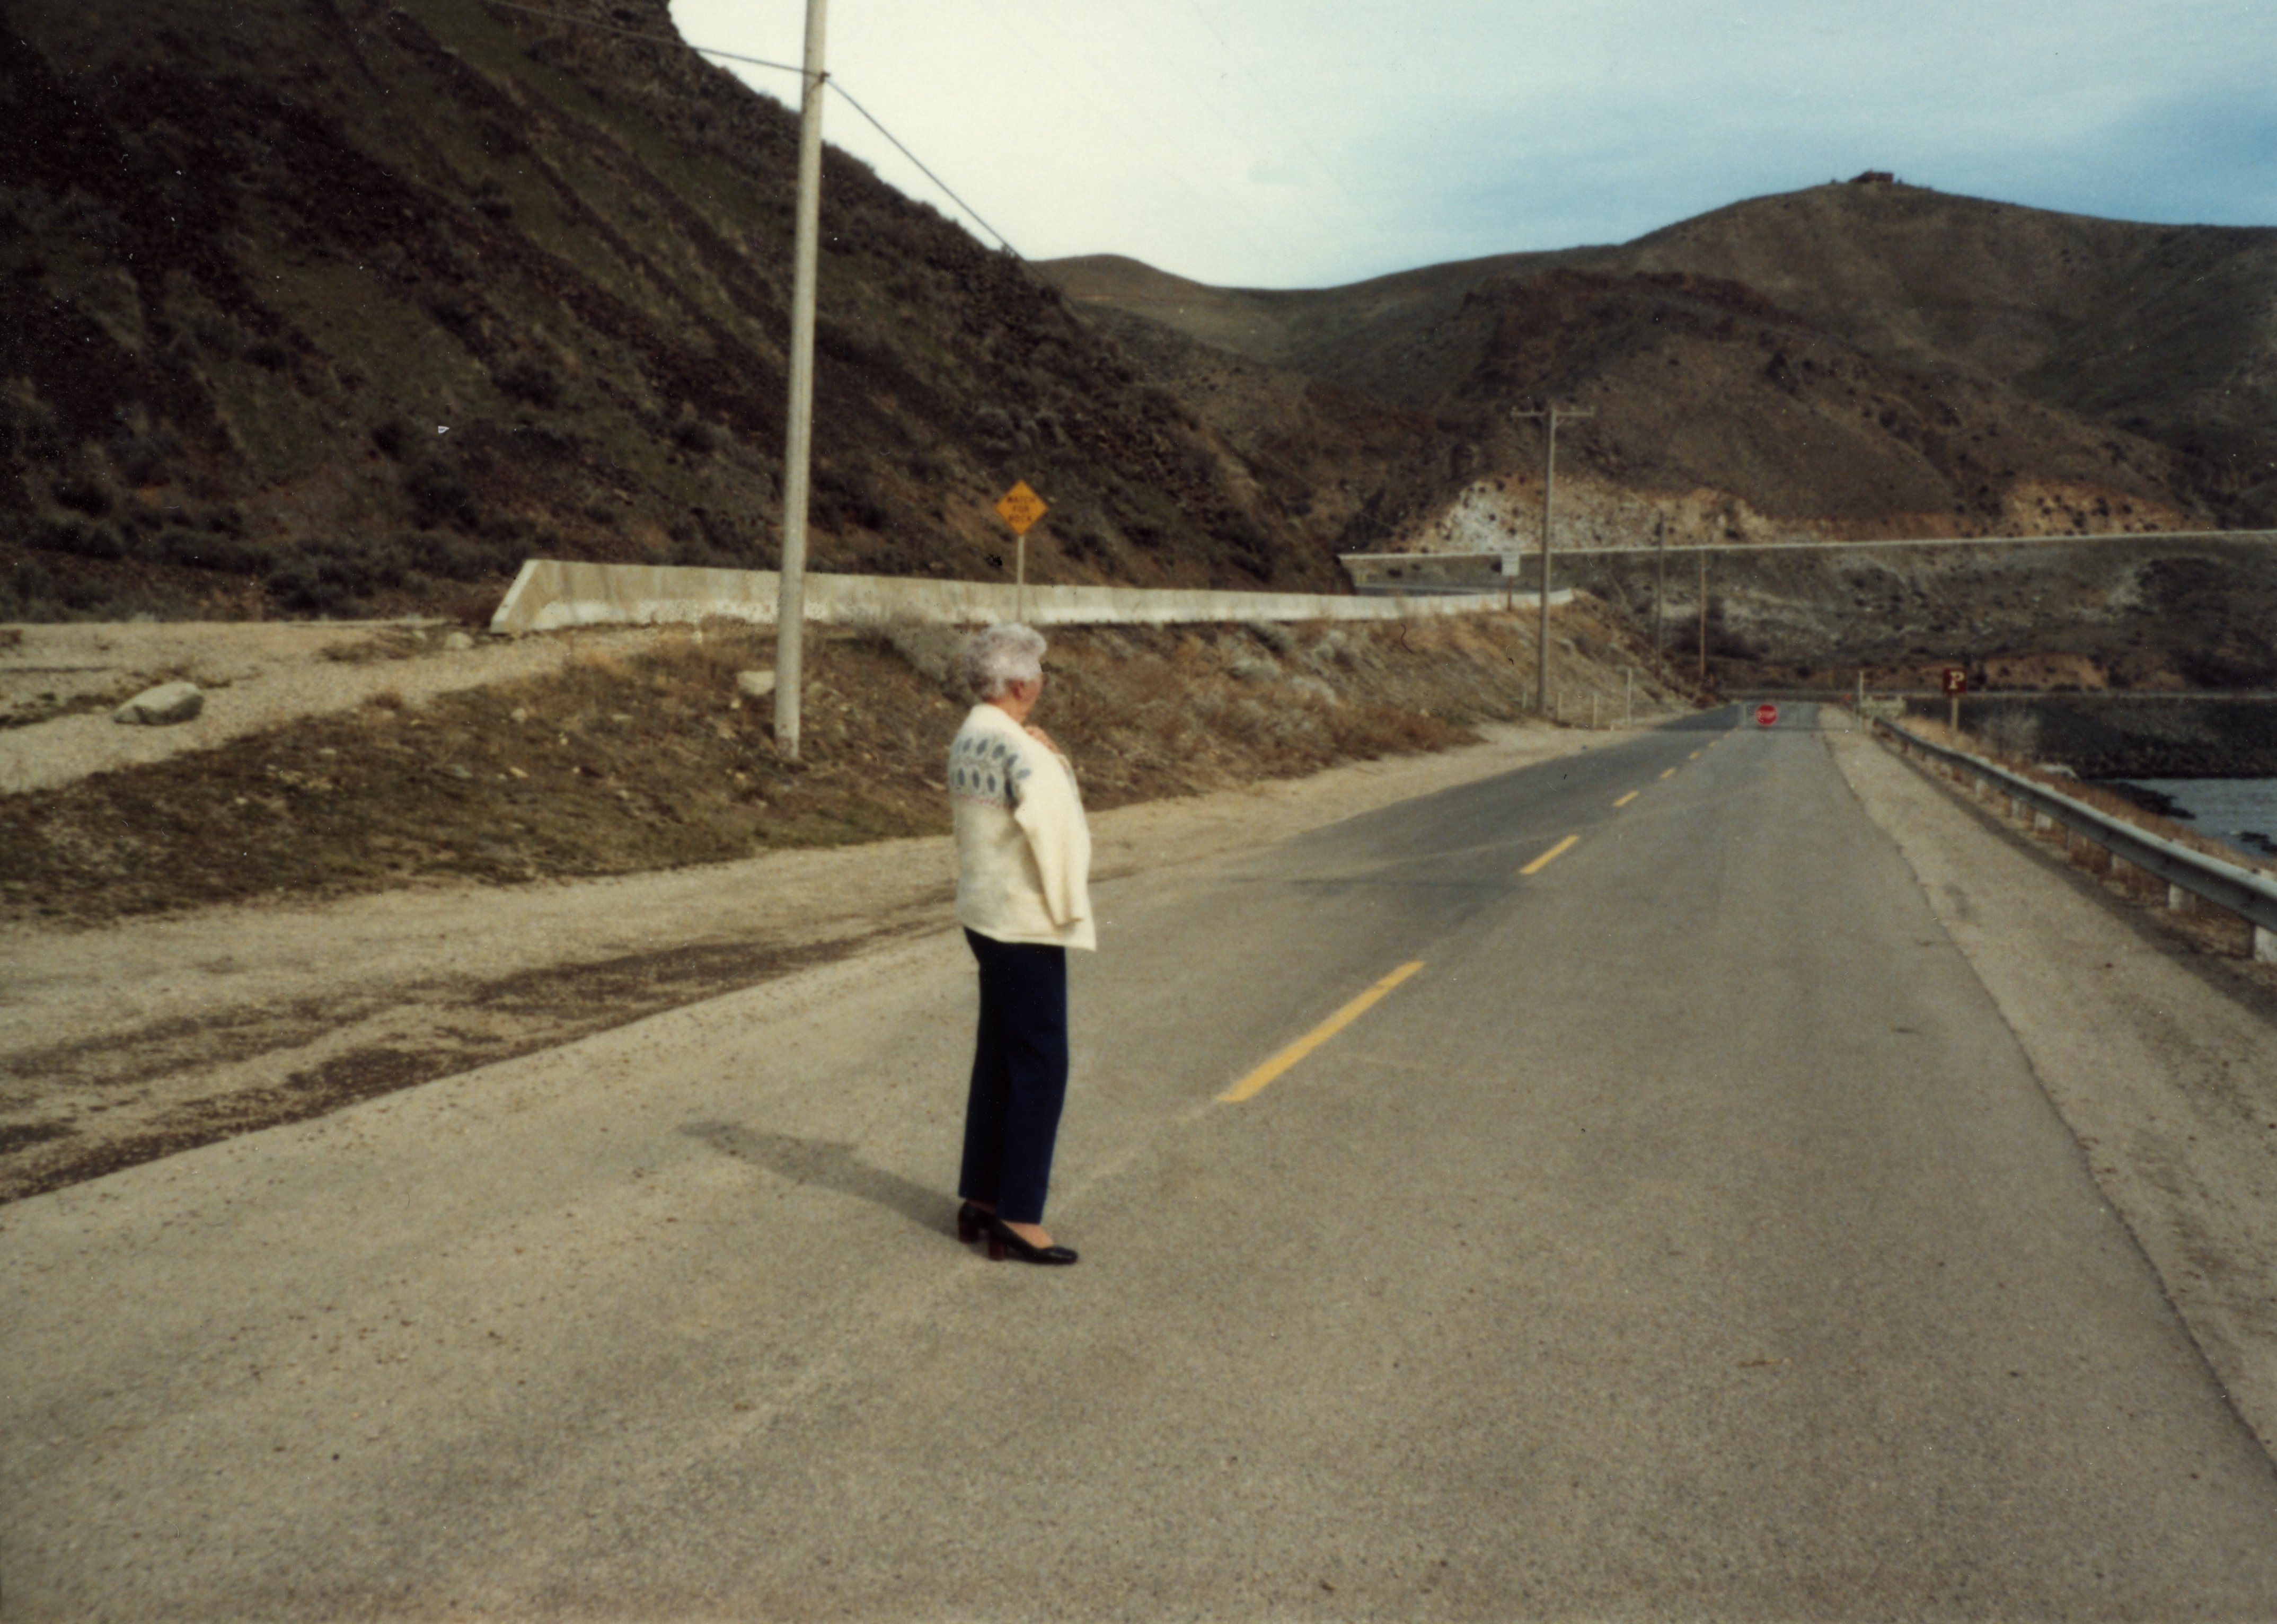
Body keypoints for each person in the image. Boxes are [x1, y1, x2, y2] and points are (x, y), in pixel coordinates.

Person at [947, 622, 1094, 1265]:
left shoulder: (971, 734)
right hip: (1023, 921)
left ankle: (982, 1197)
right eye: (1038, 673)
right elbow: (1062, 833)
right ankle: (1019, 1215)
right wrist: (1070, 913)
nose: (1043, 682)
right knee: (1040, 1063)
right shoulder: (1024, 750)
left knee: (999, 1056)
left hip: (982, 914)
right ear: (1018, 684)